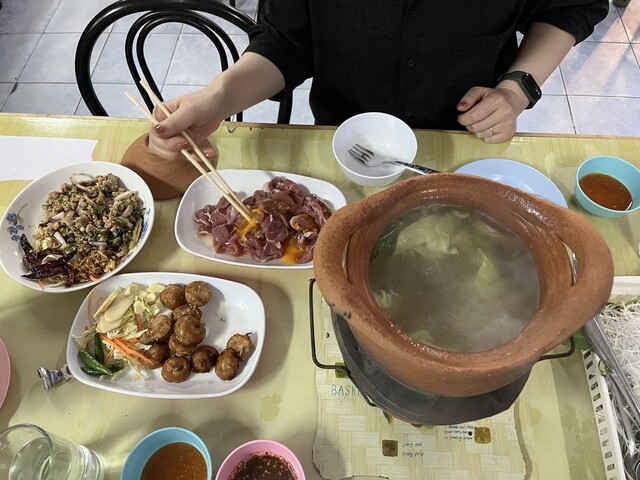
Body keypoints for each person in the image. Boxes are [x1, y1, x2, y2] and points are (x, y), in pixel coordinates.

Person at [149, 1, 608, 160]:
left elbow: (571, 7)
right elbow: (288, 42)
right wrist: (219, 96)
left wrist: (515, 89)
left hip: (465, 141)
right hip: (345, 142)